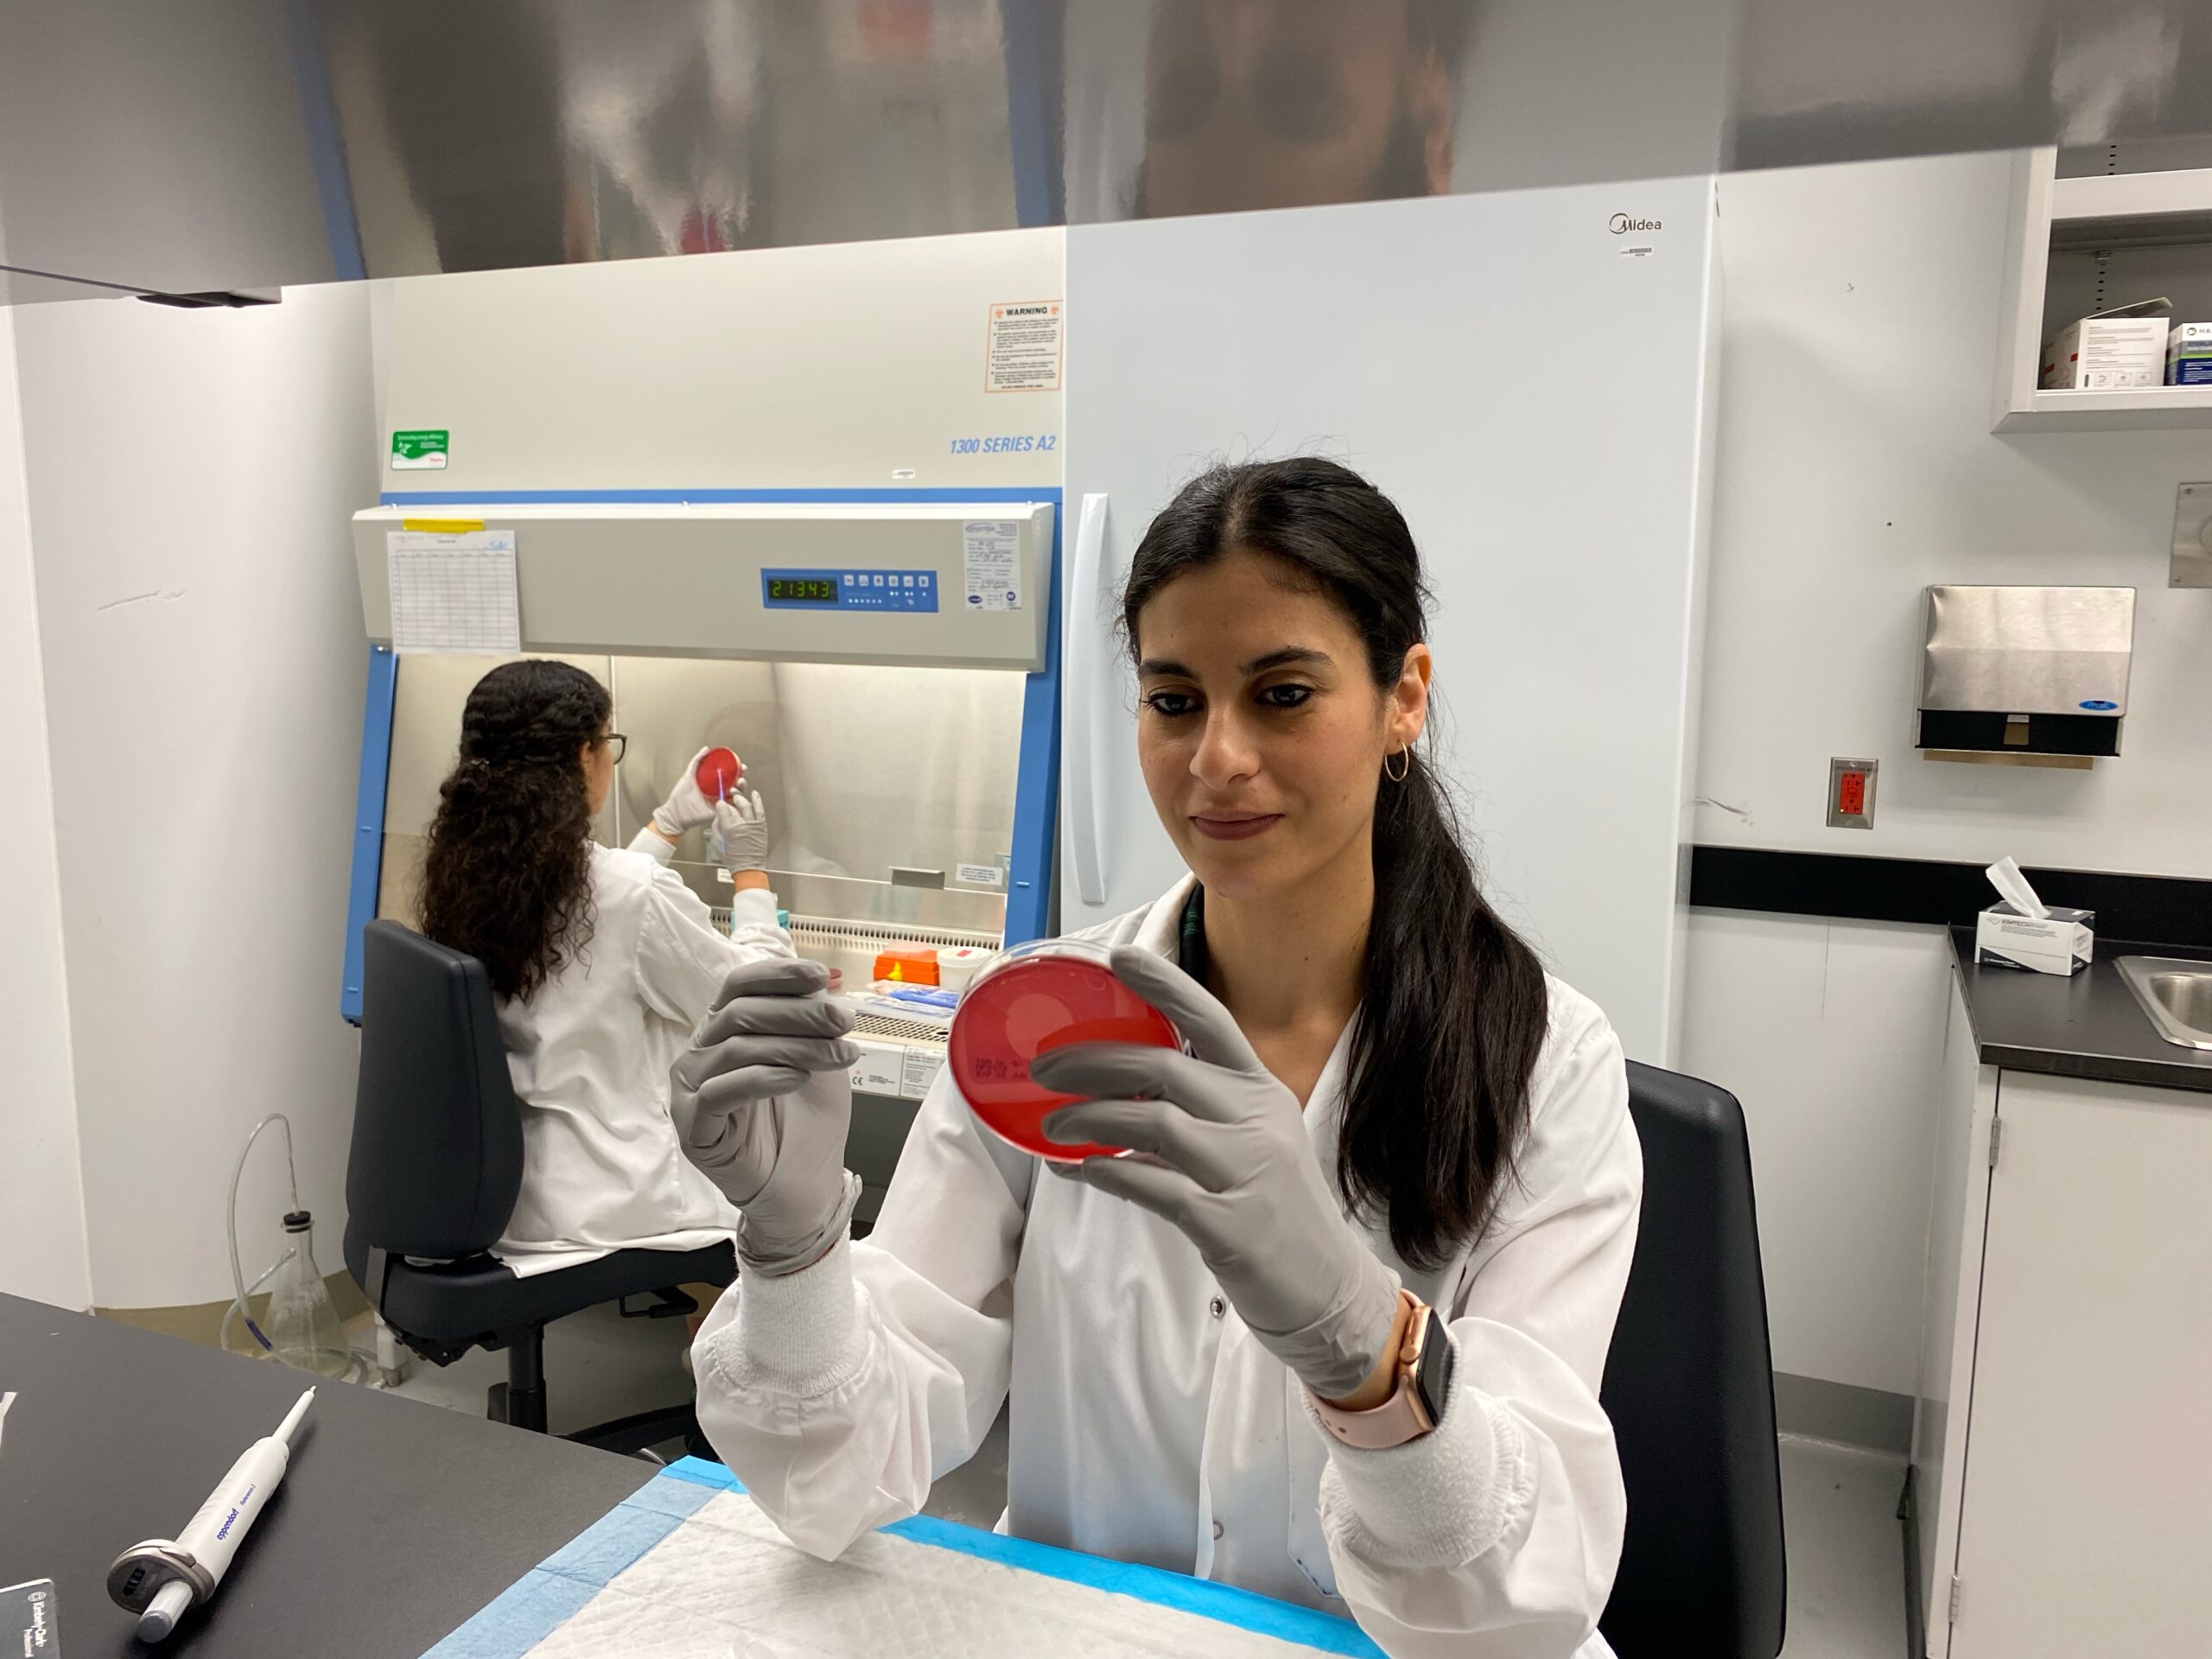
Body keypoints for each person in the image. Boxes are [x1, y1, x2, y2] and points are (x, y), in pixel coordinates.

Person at [678, 460, 1642, 1657]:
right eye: (1174, 700)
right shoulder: (1042, 1029)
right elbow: (839, 1486)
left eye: (1282, 694)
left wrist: (1364, 1351)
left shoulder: (1548, 1065)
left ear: (1405, 698)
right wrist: (796, 1250)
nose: (1217, 757)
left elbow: (1519, 1608)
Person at [417, 658, 787, 1275]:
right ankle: (726, 1355)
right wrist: (752, 877)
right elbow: (760, 1005)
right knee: (778, 1166)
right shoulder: (629, 893)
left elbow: (592, 914)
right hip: (618, 1198)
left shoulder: (468, 872)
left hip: (508, 1193)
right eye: (607, 745)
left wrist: (666, 826)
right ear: (583, 758)